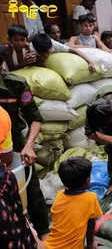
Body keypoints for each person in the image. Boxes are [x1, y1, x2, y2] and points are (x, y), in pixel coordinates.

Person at [0, 43, 50, 240]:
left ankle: (43, 233)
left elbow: (35, 118)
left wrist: (29, 145)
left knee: (30, 188)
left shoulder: (16, 84)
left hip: (15, 143)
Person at [44, 157, 103, 249]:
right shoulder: (90, 198)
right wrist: (90, 243)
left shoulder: (59, 195)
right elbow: (91, 223)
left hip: (49, 245)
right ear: (87, 181)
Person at [30, 33, 96, 72]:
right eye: (43, 53)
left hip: (62, 44)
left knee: (69, 46)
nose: (46, 55)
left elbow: (75, 51)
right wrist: (37, 62)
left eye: (47, 52)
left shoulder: (54, 44)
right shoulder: (32, 49)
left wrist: (90, 62)